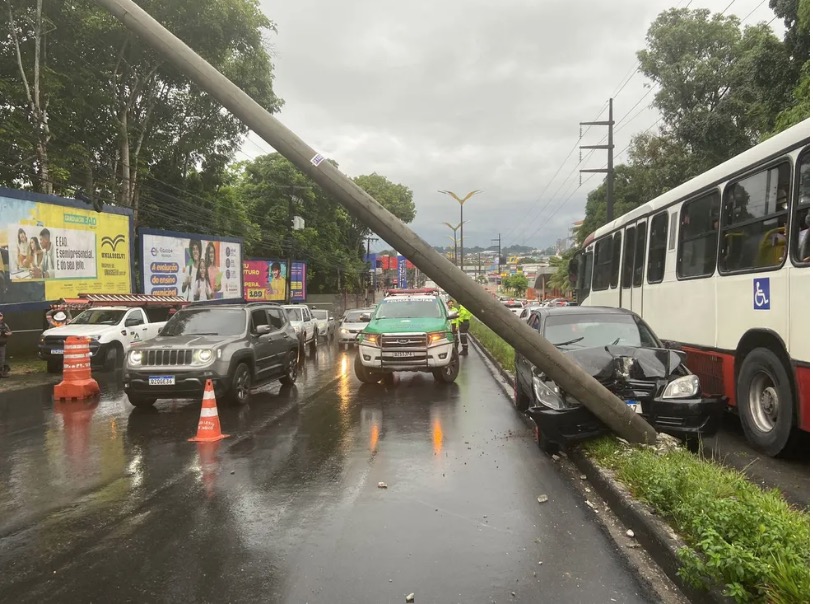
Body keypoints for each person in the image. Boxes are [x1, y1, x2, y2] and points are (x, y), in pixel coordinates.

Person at [0, 312, 11, 377]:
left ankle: (2, 372)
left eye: (0, 316)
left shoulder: (4, 325)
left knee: (2, 359)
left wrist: (6, 334)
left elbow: (10, 332)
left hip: (2, 344)